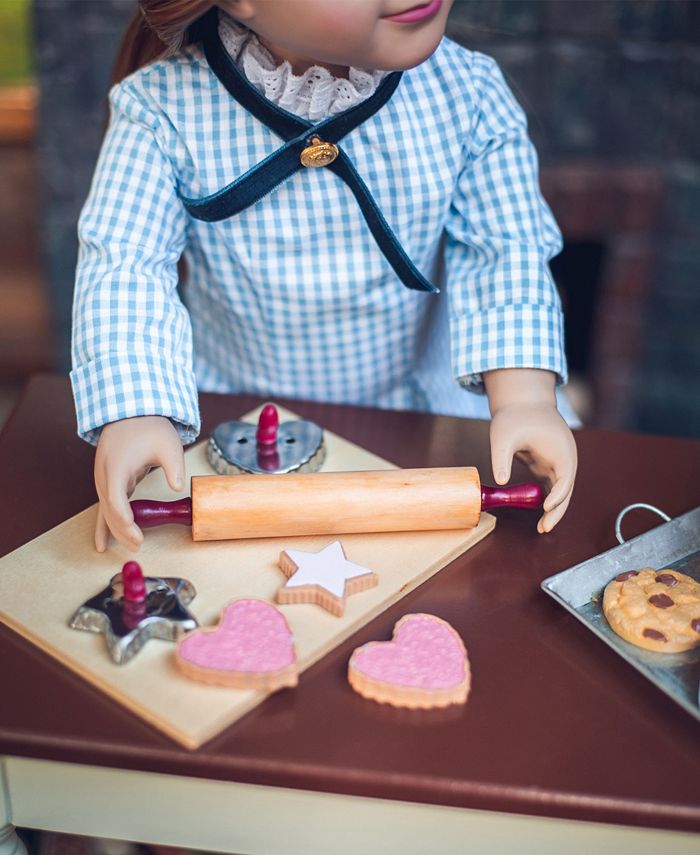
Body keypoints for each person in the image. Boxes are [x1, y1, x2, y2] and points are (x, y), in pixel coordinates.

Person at [71, 0, 578, 553]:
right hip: (235, 408)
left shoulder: (467, 94)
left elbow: (502, 247)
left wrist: (524, 395)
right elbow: (126, 262)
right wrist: (137, 410)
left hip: (411, 407)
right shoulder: (163, 108)